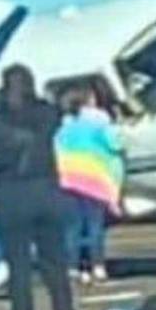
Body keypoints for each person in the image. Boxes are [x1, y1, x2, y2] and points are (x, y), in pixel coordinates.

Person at [0, 65, 80, 310]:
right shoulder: (48, 115)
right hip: (47, 191)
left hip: (11, 196)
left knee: (18, 268)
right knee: (54, 263)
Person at [56, 84, 125, 284]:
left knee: (72, 228)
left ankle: (73, 267)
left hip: (68, 180)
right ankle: (98, 266)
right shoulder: (100, 123)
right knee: (95, 227)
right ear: (90, 102)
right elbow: (116, 143)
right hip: (94, 181)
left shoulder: (65, 127)